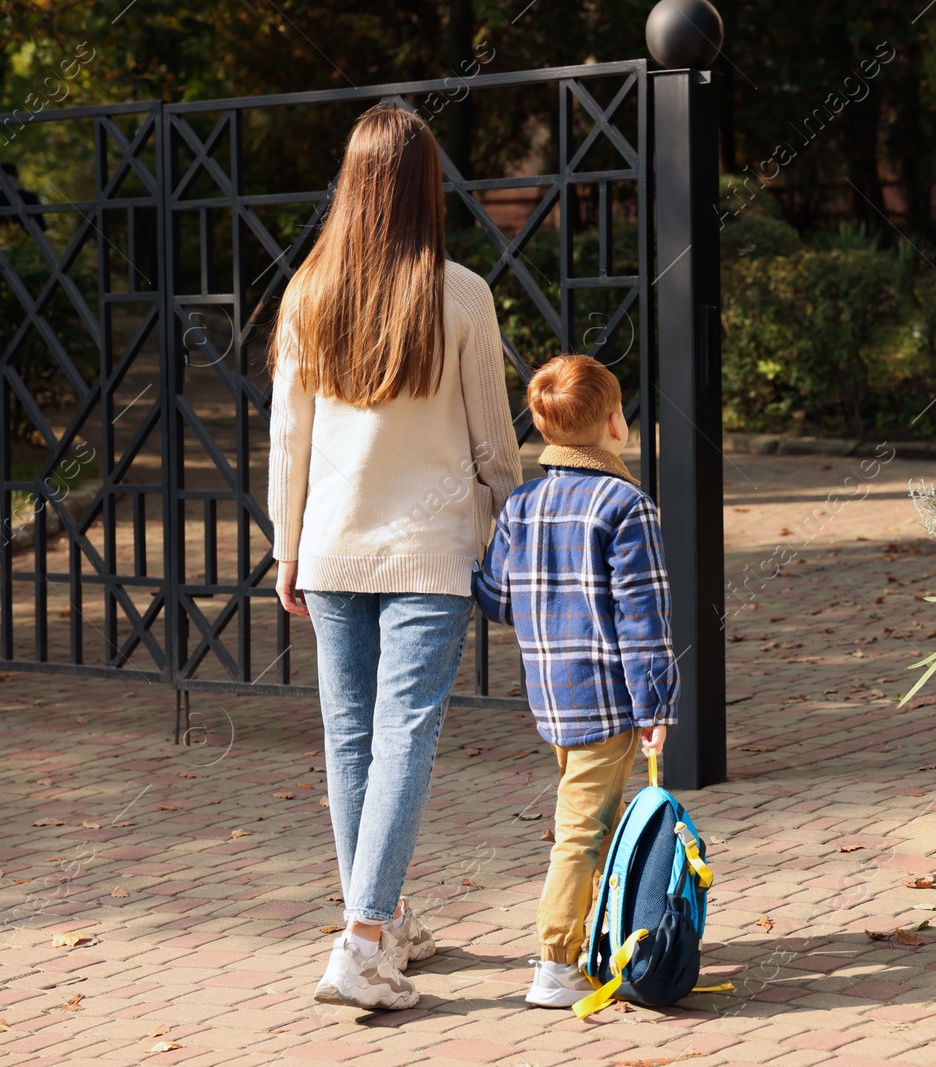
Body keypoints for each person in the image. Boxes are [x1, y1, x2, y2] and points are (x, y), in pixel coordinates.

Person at [267, 103, 522, 1011]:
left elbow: (287, 440)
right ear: (425, 187)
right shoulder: (461, 294)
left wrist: (284, 546)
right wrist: (508, 523)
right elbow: (495, 445)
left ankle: (385, 920)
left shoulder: (307, 292)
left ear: (351, 185)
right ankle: (364, 942)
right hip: (428, 550)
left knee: (351, 739)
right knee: (403, 737)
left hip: (333, 548)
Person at [473, 353, 678, 1009]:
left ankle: (607, 933)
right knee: (581, 832)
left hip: (551, 695)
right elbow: (642, 618)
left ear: (542, 425)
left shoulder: (524, 504)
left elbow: (498, 596)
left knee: (600, 819)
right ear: (616, 423)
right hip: (610, 698)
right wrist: (655, 704)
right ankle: (555, 961)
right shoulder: (626, 505)